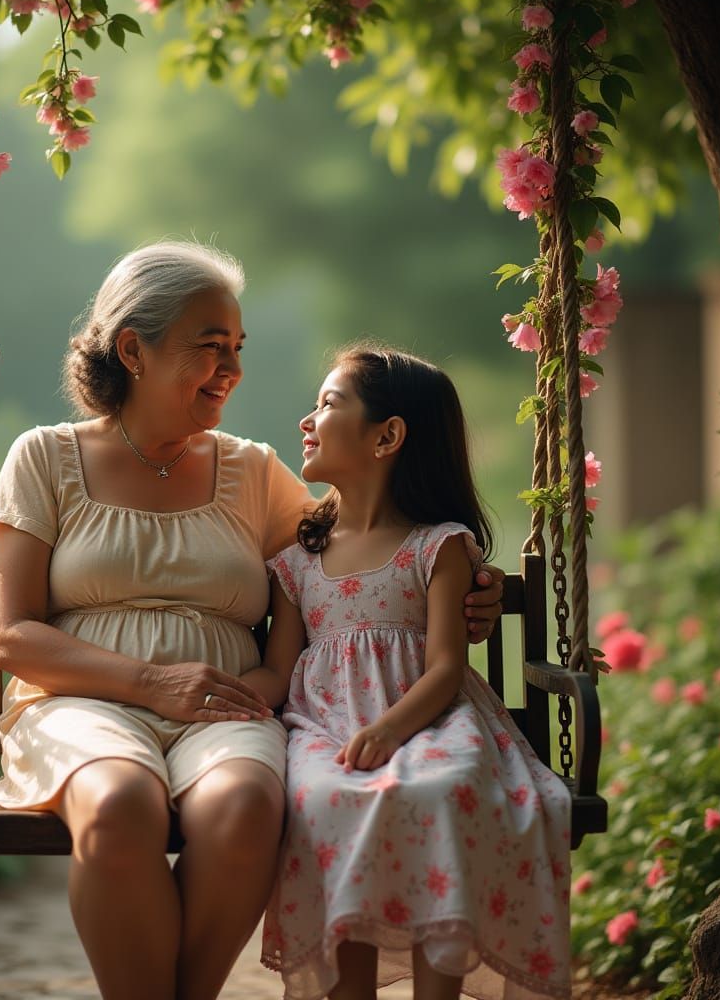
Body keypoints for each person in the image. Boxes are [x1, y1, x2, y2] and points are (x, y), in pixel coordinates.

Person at [0, 243, 506, 1000]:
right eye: (210, 347)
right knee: (122, 805)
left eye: (238, 348)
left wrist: (468, 588)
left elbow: (368, 548)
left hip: (226, 701)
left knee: (248, 806)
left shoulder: (251, 471)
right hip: (76, 700)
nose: (233, 369)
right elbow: (11, 636)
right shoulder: (45, 459)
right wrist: (151, 683)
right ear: (134, 351)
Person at [245, 345, 571, 1000]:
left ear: (388, 435)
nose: (307, 420)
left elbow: (447, 668)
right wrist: (227, 697)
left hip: (430, 717)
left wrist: (392, 729)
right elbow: (279, 671)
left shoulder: (437, 545)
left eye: (329, 404)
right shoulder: (298, 557)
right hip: (326, 728)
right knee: (324, 799)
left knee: (444, 787)